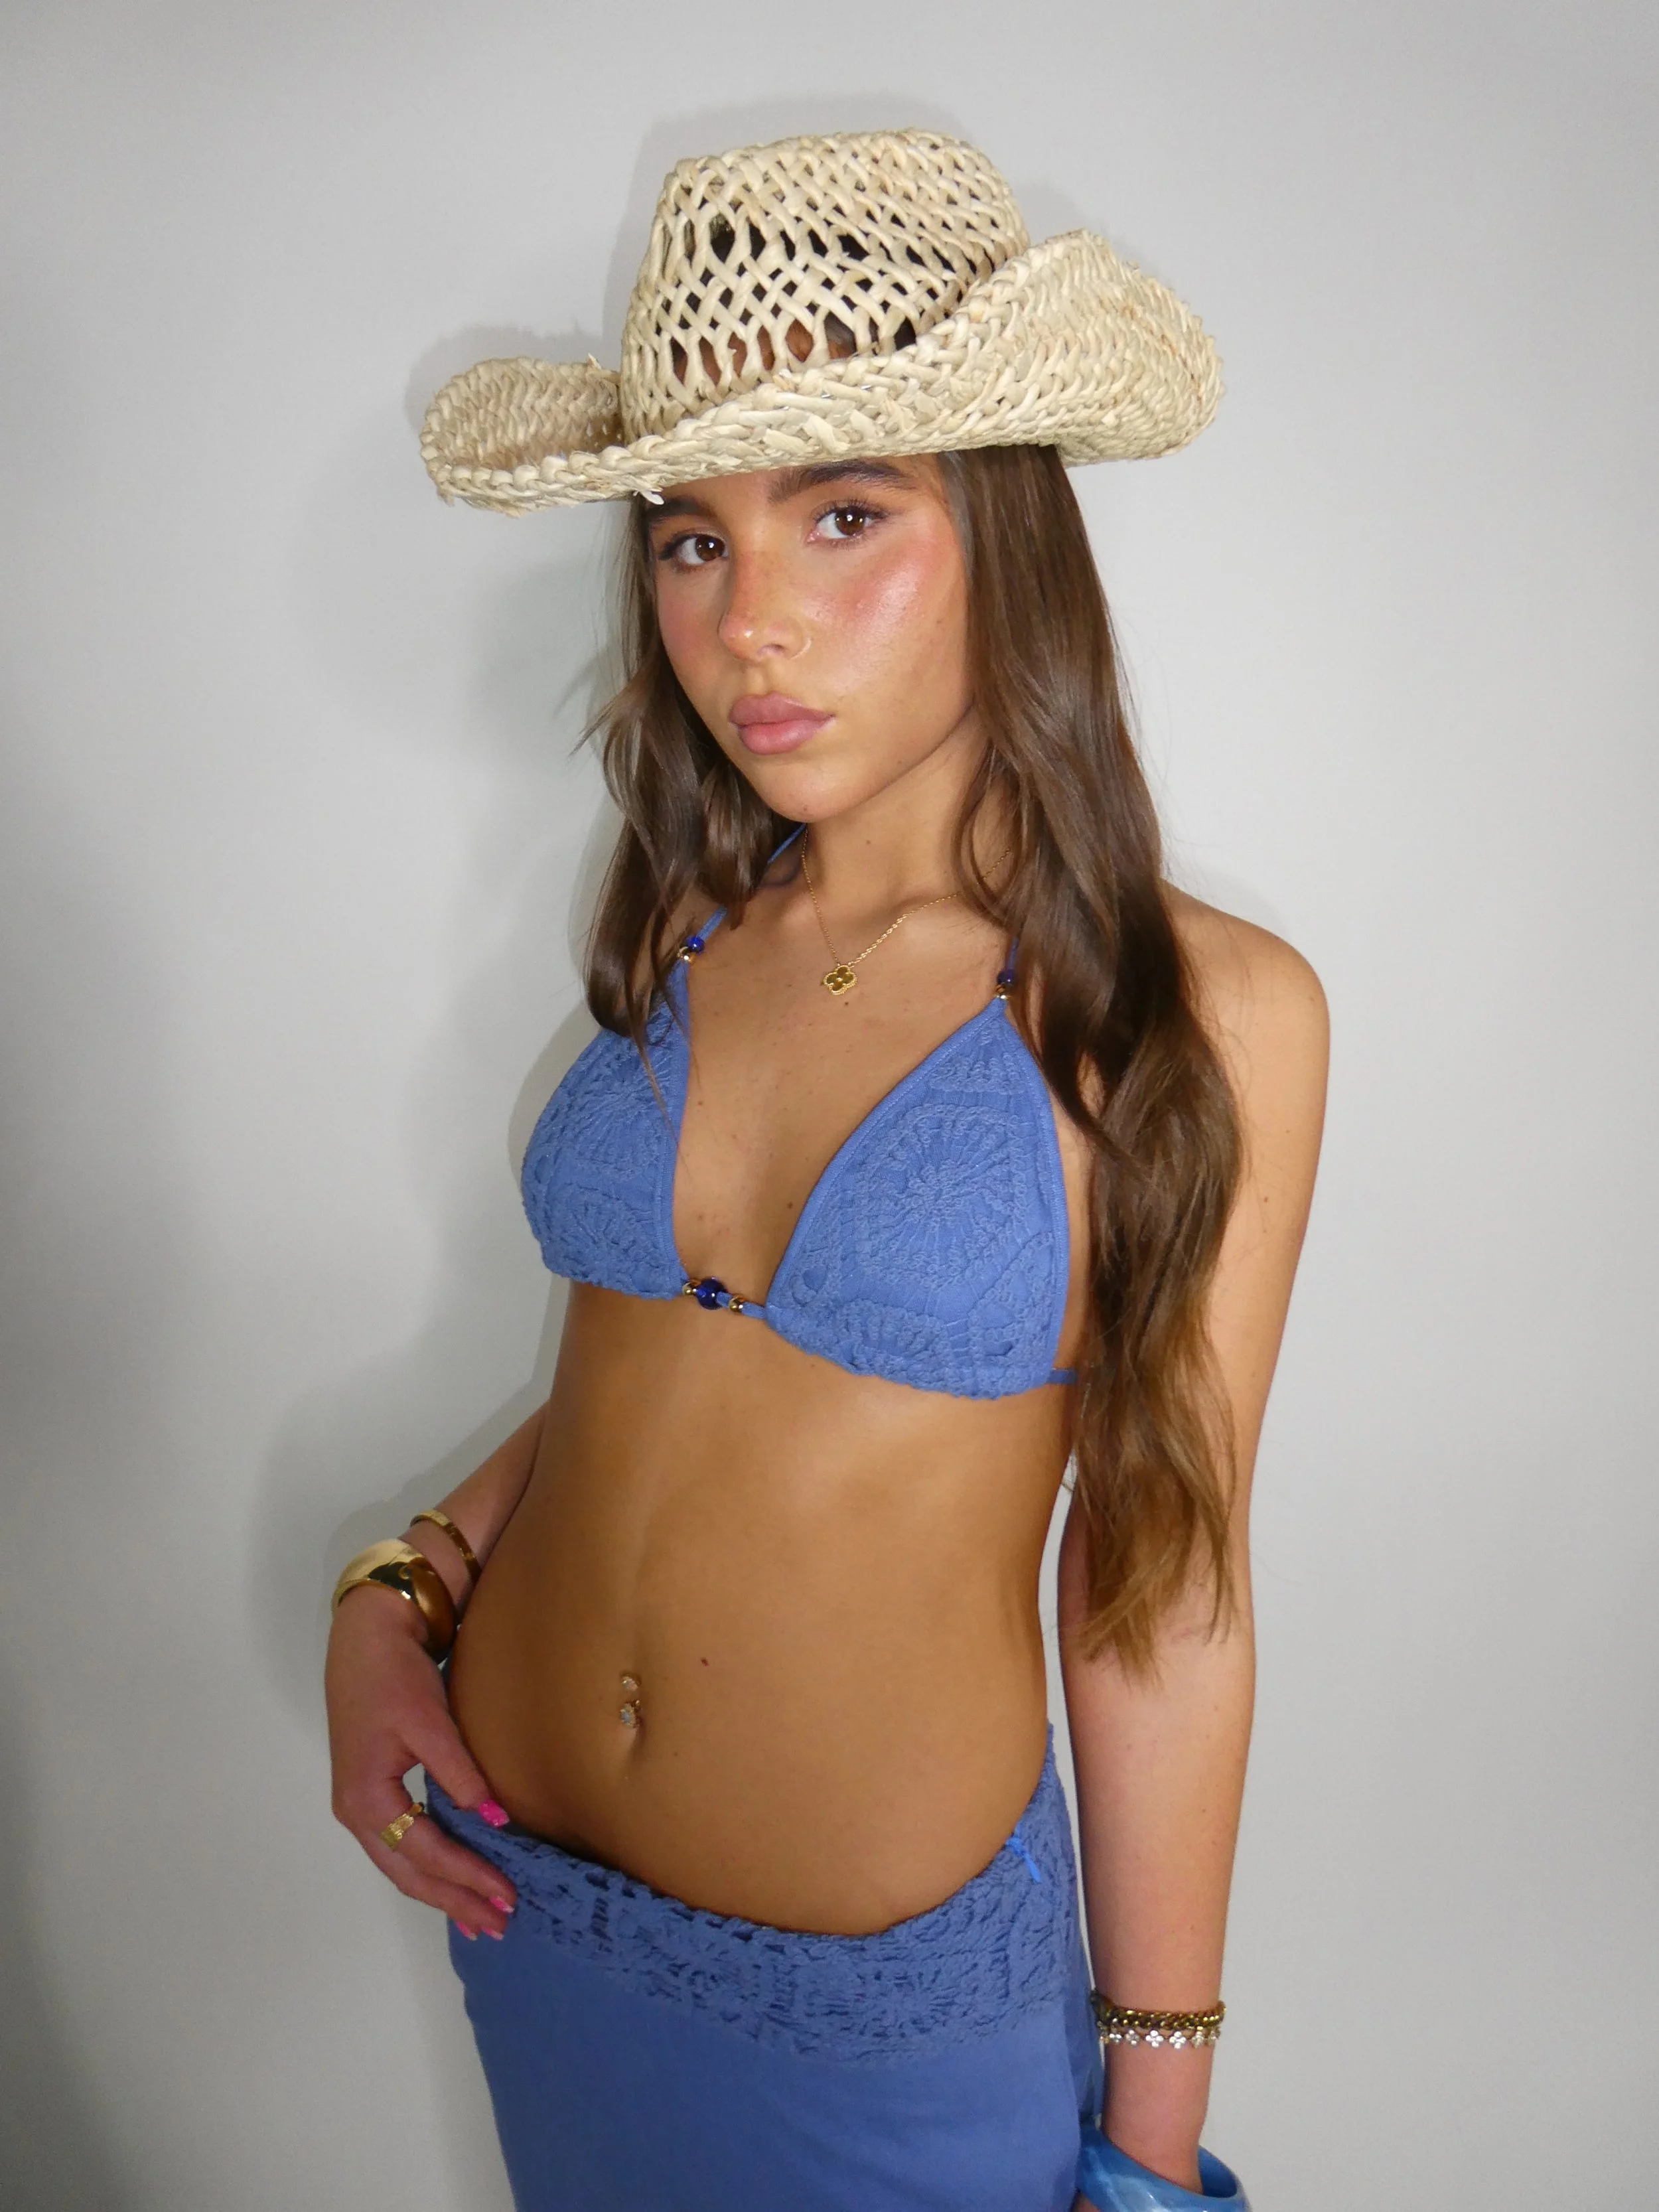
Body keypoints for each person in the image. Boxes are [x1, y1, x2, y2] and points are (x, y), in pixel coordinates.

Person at [325, 129, 1327, 2212]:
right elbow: (648, 1374)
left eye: (841, 513)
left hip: (875, 2010)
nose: (746, 622)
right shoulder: (690, 929)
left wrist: (1151, 2140)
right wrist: (397, 1588)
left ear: (1007, 536)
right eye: (690, 539)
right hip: (528, 1898)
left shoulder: (1196, 1010)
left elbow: (1159, 1588)